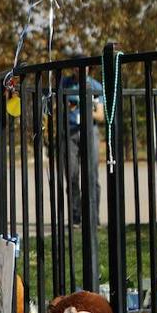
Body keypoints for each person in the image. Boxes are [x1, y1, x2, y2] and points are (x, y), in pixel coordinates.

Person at [62, 67, 104, 227]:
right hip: (70, 132)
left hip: (89, 131)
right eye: (76, 67)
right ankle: (75, 217)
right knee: (72, 175)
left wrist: (85, 108)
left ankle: (94, 217)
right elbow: (57, 105)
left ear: (89, 68)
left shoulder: (95, 86)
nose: (79, 70)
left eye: (84, 67)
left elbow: (100, 115)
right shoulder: (64, 83)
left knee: (92, 176)